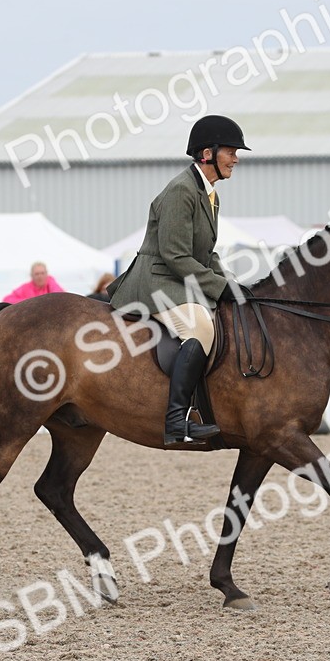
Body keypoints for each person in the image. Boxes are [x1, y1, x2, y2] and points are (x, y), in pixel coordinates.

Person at [106, 114, 249, 444]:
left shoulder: (209, 194)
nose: (236, 158)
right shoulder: (181, 191)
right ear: (207, 154)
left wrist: (231, 283)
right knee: (200, 327)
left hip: (178, 279)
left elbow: (205, 254)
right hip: (156, 281)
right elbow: (175, 255)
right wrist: (220, 287)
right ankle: (175, 421)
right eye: (230, 151)